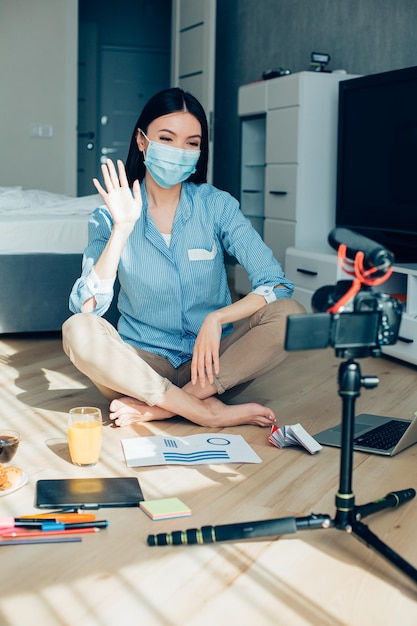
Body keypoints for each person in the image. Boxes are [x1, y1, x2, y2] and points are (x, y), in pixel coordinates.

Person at [62, 87, 305, 428]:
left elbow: (277, 284)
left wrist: (218, 318)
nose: (180, 150)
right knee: (77, 329)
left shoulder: (216, 205)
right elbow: (87, 309)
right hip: (141, 367)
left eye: (192, 142)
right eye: (167, 137)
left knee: (291, 315)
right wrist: (122, 227)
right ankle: (205, 411)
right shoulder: (108, 217)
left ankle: (162, 407)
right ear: (142, 140)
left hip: (214, 365)